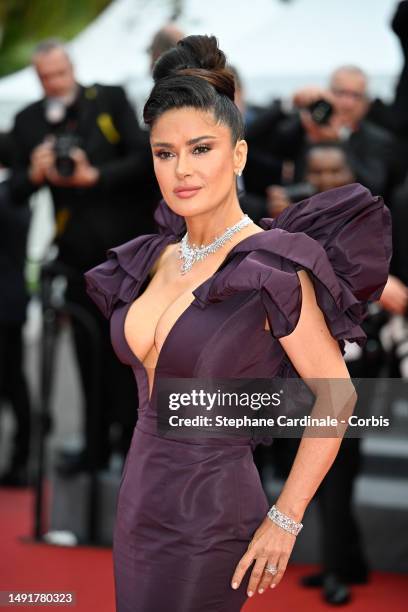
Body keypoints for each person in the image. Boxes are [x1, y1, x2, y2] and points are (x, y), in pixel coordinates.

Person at [84, 35, 392, 612]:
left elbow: (337, 394)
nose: (181, 170)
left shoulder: (270, 264)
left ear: (240, 154)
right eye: (164, 152)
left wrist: (287, 515)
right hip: (138, 500)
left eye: (201, 148)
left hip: (211, 513)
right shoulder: (152, 258)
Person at [10, 38, 160, 472]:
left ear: (71, 67)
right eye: (44, 77)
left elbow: (142, 159)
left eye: (59, 73)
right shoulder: (27, 121)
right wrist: (35, 173)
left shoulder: (108, 100)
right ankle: (95, 449)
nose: (54, 82)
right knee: (86, 356)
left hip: (130, 255)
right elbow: (17, 191)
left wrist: (95, 175)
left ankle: (136, 451)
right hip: (77, 259)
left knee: (133, 358)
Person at [0, 132, 32, 487]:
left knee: (14, 383)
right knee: (15, 381)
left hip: (4, 304)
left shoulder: (8, 194)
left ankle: (21, 459)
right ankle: (21, 457)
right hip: (13, 301)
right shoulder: (16, 194)